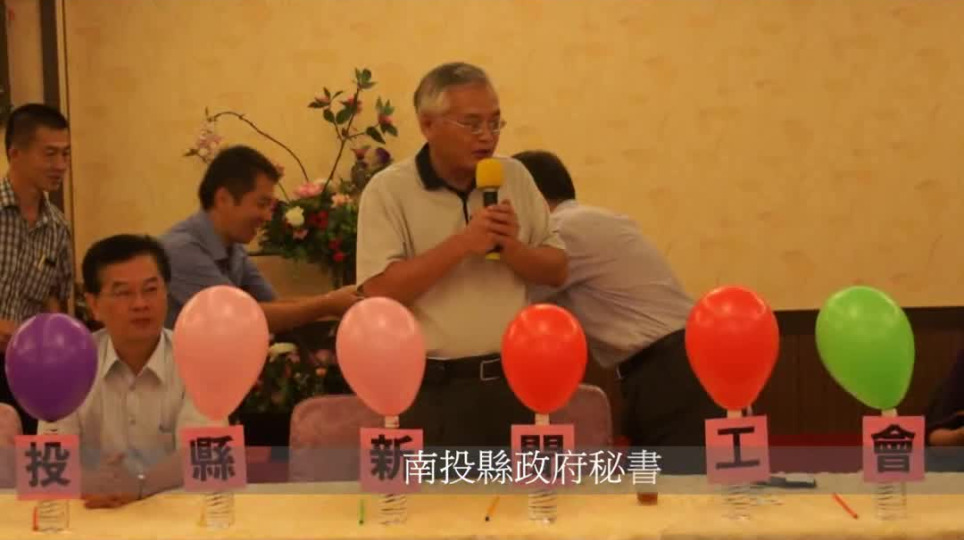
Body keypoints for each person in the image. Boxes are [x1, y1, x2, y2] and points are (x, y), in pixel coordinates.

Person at [356, 62, 568, 448]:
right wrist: (462, 244)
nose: (487, 136)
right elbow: (379, 291)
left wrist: (510, 247)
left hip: (516, 384)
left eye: (495, 123)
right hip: (431, 391)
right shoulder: (388, 191)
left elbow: (557, 270)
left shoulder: (515, 176)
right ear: (427, 124)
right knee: (436, 492)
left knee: (521, 491)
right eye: (471, 124)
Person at [514, 149, 723, 472]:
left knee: (681, 490)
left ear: (532, 199)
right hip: (674, 367)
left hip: (671, 374)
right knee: (663, 488)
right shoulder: (594, 219)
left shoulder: (563, 230)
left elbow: (514, 301)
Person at [39, 234, 219, 508]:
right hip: (92, 514)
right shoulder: (67, 363)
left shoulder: (198, 358)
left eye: (151, 289)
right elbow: (47, 461)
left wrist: (140, 485)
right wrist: (96, 483)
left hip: (177, 516)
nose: (140, 304)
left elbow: (206, 453)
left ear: (166, 293)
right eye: (123, 293)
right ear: (94, 304)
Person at [162, 145, 359, 332]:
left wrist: (334, 300)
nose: (267, 216)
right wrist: (328, 304)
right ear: (223, 199)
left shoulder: (234, 248)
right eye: (262, 204)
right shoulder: (181, 250)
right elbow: (240, 317)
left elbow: (272, 304)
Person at [0, 104, 73, 436]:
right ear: (15, 154)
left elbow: (55, 301)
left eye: (65, 154)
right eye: (50, 154)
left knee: (33, 456)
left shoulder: (58, 227)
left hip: (29, 373)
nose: (60, 165)